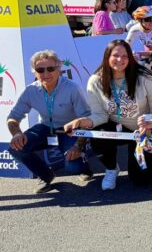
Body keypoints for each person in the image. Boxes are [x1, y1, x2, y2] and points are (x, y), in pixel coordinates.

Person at [64, 40, 152, 189]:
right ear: (107, 57)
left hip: (144, 127)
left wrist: (150, 123)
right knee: (97, 134)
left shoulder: (145, 77)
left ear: (130, 58)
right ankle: (111, 168)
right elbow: (99, 116)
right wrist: (79, 122)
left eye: (125, 56)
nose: (120, 60)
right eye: (115, 55)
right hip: (117, 127)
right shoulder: (96, 81)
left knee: (141, 179)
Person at [6, 51, 93, 192]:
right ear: (35, 72)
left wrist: (78, 145)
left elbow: (87, 118)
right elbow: (13, 117)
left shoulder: (72, 88)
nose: (46, 73)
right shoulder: (30, 90)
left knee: (73, 167)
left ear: (59, 69)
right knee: (16, 147)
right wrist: (16, 134)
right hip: (46, 128)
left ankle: (84, 165)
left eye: (51, 69)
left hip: (69, 130)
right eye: (40, 70)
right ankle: (46, 175)